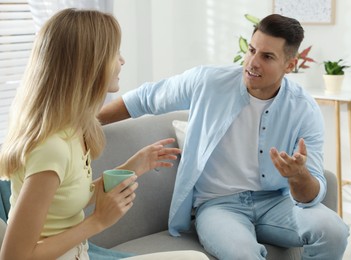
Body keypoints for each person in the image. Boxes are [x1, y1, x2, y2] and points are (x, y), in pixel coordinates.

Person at [98, 14, 350, 260]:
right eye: (251, 50)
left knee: (334, 232)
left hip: (276, 203)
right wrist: (81, 121)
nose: (252, 62)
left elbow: (312, 193)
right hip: (218, 206)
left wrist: (298, 175)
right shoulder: (209, 82)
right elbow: (143, 99)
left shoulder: (304, 108)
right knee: (243, 254)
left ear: (289, 65)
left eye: (267, 56)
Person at [0, 8, 209, 260]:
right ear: (90, 64)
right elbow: (14, 256)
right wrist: (98, 222)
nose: (122, 61)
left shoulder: (75, 129)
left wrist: (132, 167)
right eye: (115, 53)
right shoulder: (51, 147)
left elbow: (64, 197)